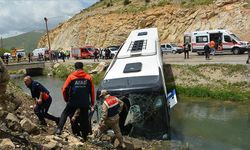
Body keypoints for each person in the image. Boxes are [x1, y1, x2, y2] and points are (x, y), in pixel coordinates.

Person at [55, 62, 95, 140]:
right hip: (84, 102)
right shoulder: (89, 77)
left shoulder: (71, 77)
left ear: (75, 68)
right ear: (82, 68)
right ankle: (84, 136)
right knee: (84, 118)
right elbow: (92, 91)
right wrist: (92, 102)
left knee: (65, 113)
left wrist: (66, 99)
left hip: (73, 101)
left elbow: (64, 89)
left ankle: (59, 129)